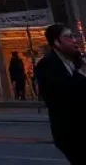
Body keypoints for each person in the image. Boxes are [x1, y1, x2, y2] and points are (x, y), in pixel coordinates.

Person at [35, 23, 86, 164]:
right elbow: (60, 97)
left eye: (73, 36)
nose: (74, 40)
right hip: (72, 133)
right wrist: (81, 73)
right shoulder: (47, 66)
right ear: (57, 42)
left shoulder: (77, 61)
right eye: (68, 37)